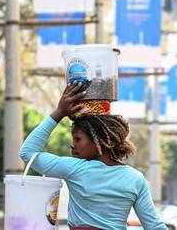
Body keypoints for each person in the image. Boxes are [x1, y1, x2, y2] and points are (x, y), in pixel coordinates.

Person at [20, 82, 167, 230]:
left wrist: (59, 113)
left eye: (77, 139)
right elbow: (154, 226)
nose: (73, 145)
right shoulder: (135, 178)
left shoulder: (75, 169)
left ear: (98, 141)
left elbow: (27, 152)